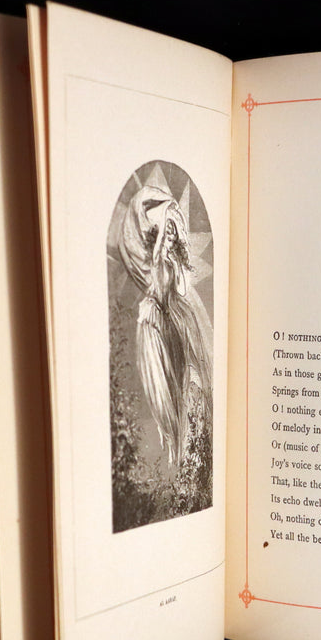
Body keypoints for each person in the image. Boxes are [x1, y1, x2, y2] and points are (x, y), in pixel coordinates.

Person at [117, 184, 212, 465]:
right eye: (165, 233)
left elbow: (197, 365)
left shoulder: (184, 310)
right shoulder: (151, 315)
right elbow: (161, 396)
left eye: (173, 233)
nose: (171, 240)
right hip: (175, 423)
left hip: (193, 411)